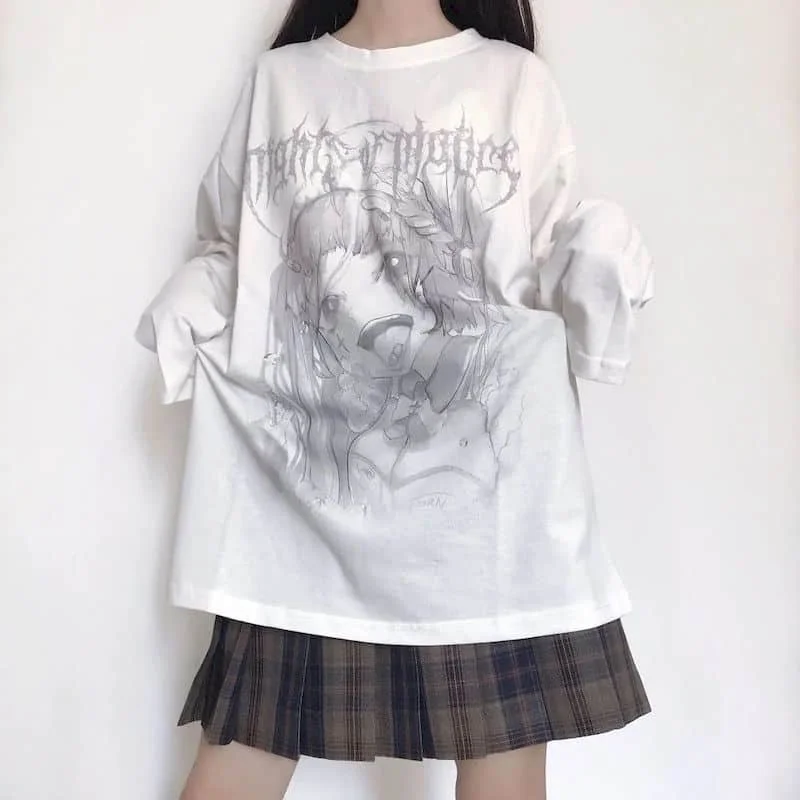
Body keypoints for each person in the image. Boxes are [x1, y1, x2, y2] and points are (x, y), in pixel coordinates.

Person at [133, 1, 655, 798]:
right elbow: (241, 252)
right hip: (302, 517)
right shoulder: (281, 82)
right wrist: (187, 311)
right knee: (241, 756)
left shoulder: (511, 80)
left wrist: (599, 258)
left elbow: (549, 248)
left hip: (483, 525)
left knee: (503, 768)